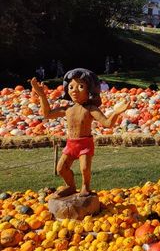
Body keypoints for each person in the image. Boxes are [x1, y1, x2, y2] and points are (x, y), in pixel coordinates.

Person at [30, 68, 129, 197]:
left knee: (84, 168)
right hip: (71, 144)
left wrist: (116, 113)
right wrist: (42, 95)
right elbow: (47, 114)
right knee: (61, 169)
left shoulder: (91, 109)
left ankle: (85, 187)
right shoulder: (68, 109)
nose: (75, 90)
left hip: (85, 144)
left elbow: (107, 124)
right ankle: (71, 186)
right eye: (71, 87)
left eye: (81, 86)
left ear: (90, 90)